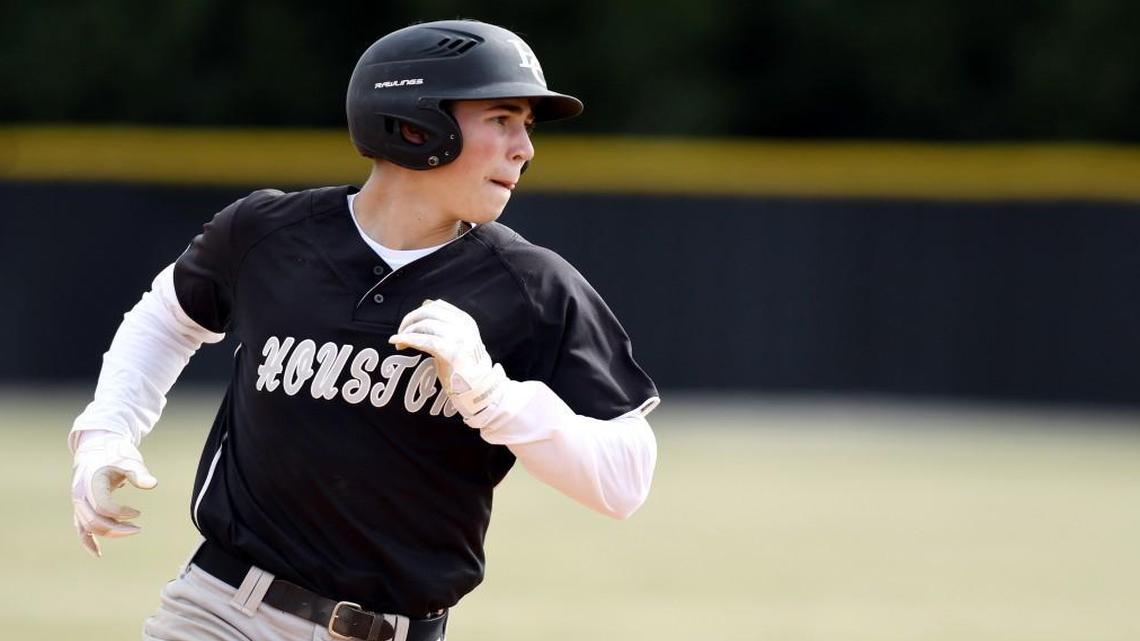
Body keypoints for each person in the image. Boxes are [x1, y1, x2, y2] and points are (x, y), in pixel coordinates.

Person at [69, 19, 659, 641]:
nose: (525, 148)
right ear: (414, 125)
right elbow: (166, 317)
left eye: (527, 128)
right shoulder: (267, 234)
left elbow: (625, 479)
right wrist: (107, 432)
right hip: (224, 612)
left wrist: (496, 399)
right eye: (502, 119)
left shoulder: (531, 286)